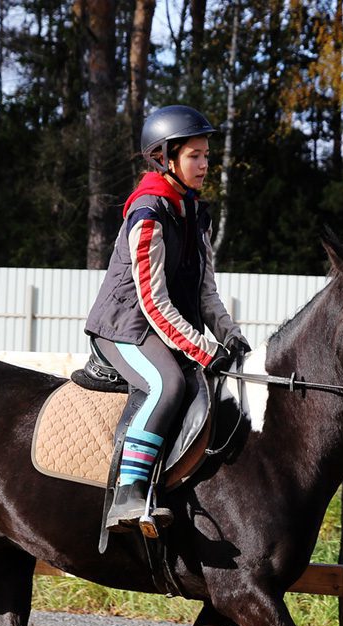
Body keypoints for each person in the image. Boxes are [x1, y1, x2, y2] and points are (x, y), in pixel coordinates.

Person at [84, 104, 250, 534]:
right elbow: (152, 301)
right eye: (195, 155)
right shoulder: (147, 211)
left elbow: (206, 292)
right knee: (168, 384)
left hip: (165, 327)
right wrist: (201, 347)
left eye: (207, 156)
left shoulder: (196, 213)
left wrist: (231, 337)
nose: (205, 164)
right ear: (165, 157)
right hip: (124, 327)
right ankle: (128, 492)